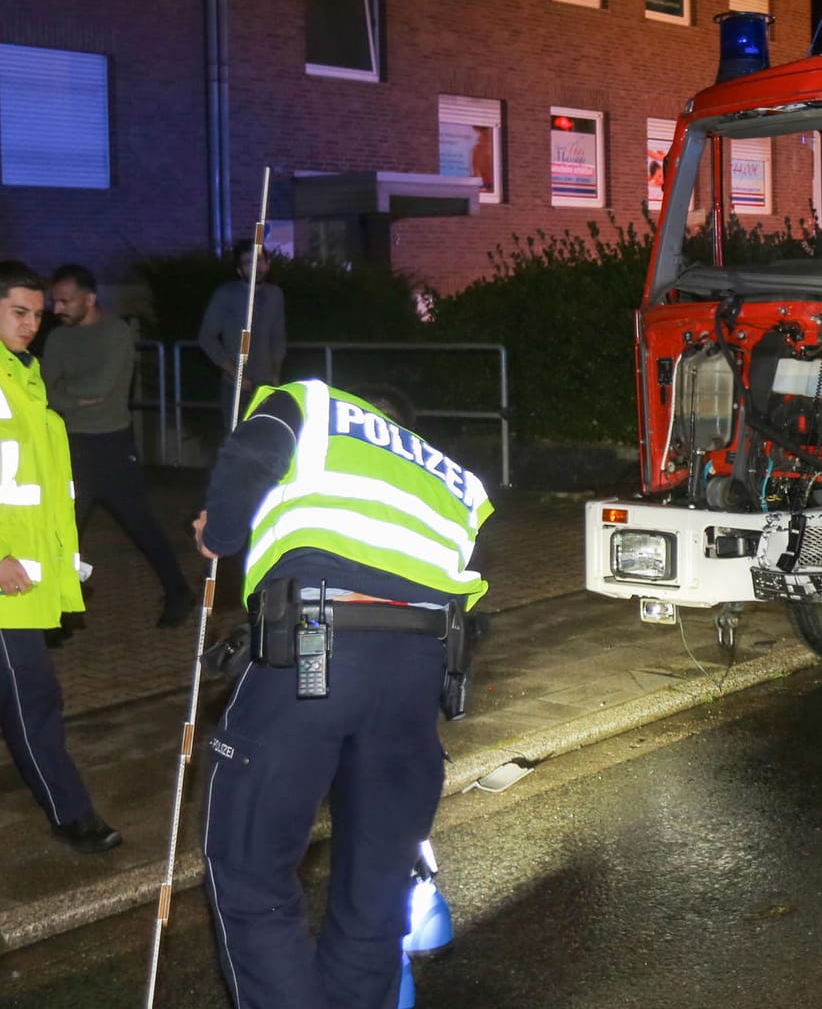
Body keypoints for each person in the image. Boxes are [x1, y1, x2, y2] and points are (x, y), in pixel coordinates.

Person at [194, 378, 492, 1008]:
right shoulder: (455, 479)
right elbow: (473, 604)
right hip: (415, 671)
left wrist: (218, 533)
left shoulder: (309, 403)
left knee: (252, 875)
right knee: (376, 896)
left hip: (314, 649)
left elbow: (251, 457)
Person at [0, 261, 122, 854]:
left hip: (22, 578)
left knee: (29, 695)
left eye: (37, 316)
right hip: (4, 582)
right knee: (33, 698)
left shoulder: (25, 378)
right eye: (18, 312)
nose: (30, 325)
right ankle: (71, 812)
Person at [43, 264, 196, 627]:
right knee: (63, 531)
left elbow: (95, 390)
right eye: (55, 301)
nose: (57, 308)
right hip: (71, 446)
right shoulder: (58, 339)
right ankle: (63, 608)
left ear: (90, 298)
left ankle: (179, 592)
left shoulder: (115, 333)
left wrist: (66, 395)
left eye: (65, 300)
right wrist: (69, 398)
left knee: (141, 525)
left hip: (112, 446)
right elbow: (44, 390)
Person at [197, 240, 286, 426]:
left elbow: (278, 337)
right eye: (248, 262)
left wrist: (276, 375)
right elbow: (207, 337)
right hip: (236, 388)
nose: (255, 267)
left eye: (260, 260)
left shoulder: (275, 295)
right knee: (237, 441)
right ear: (239, 270)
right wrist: (234, 373)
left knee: (266, 440)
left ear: (268, 263)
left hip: (266, 386)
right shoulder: (226, 295)